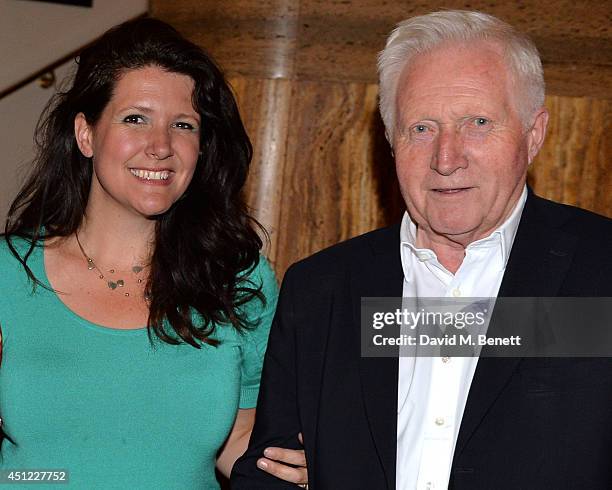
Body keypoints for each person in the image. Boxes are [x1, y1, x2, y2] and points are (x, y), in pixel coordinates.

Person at [231, 10, 612, 490]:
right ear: (390, 140)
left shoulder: (601, 272)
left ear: (533, 135)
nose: (446, 159)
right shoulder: (322, 291)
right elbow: (271, 473)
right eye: (421, 129)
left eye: (477, 122)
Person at [0, 17, 305, 489]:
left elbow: (240, 439)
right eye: (135, 118)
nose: (161, 146)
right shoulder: (6, 274)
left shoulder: (238, 281)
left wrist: (307, 465)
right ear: (86, 134)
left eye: (183, 125)